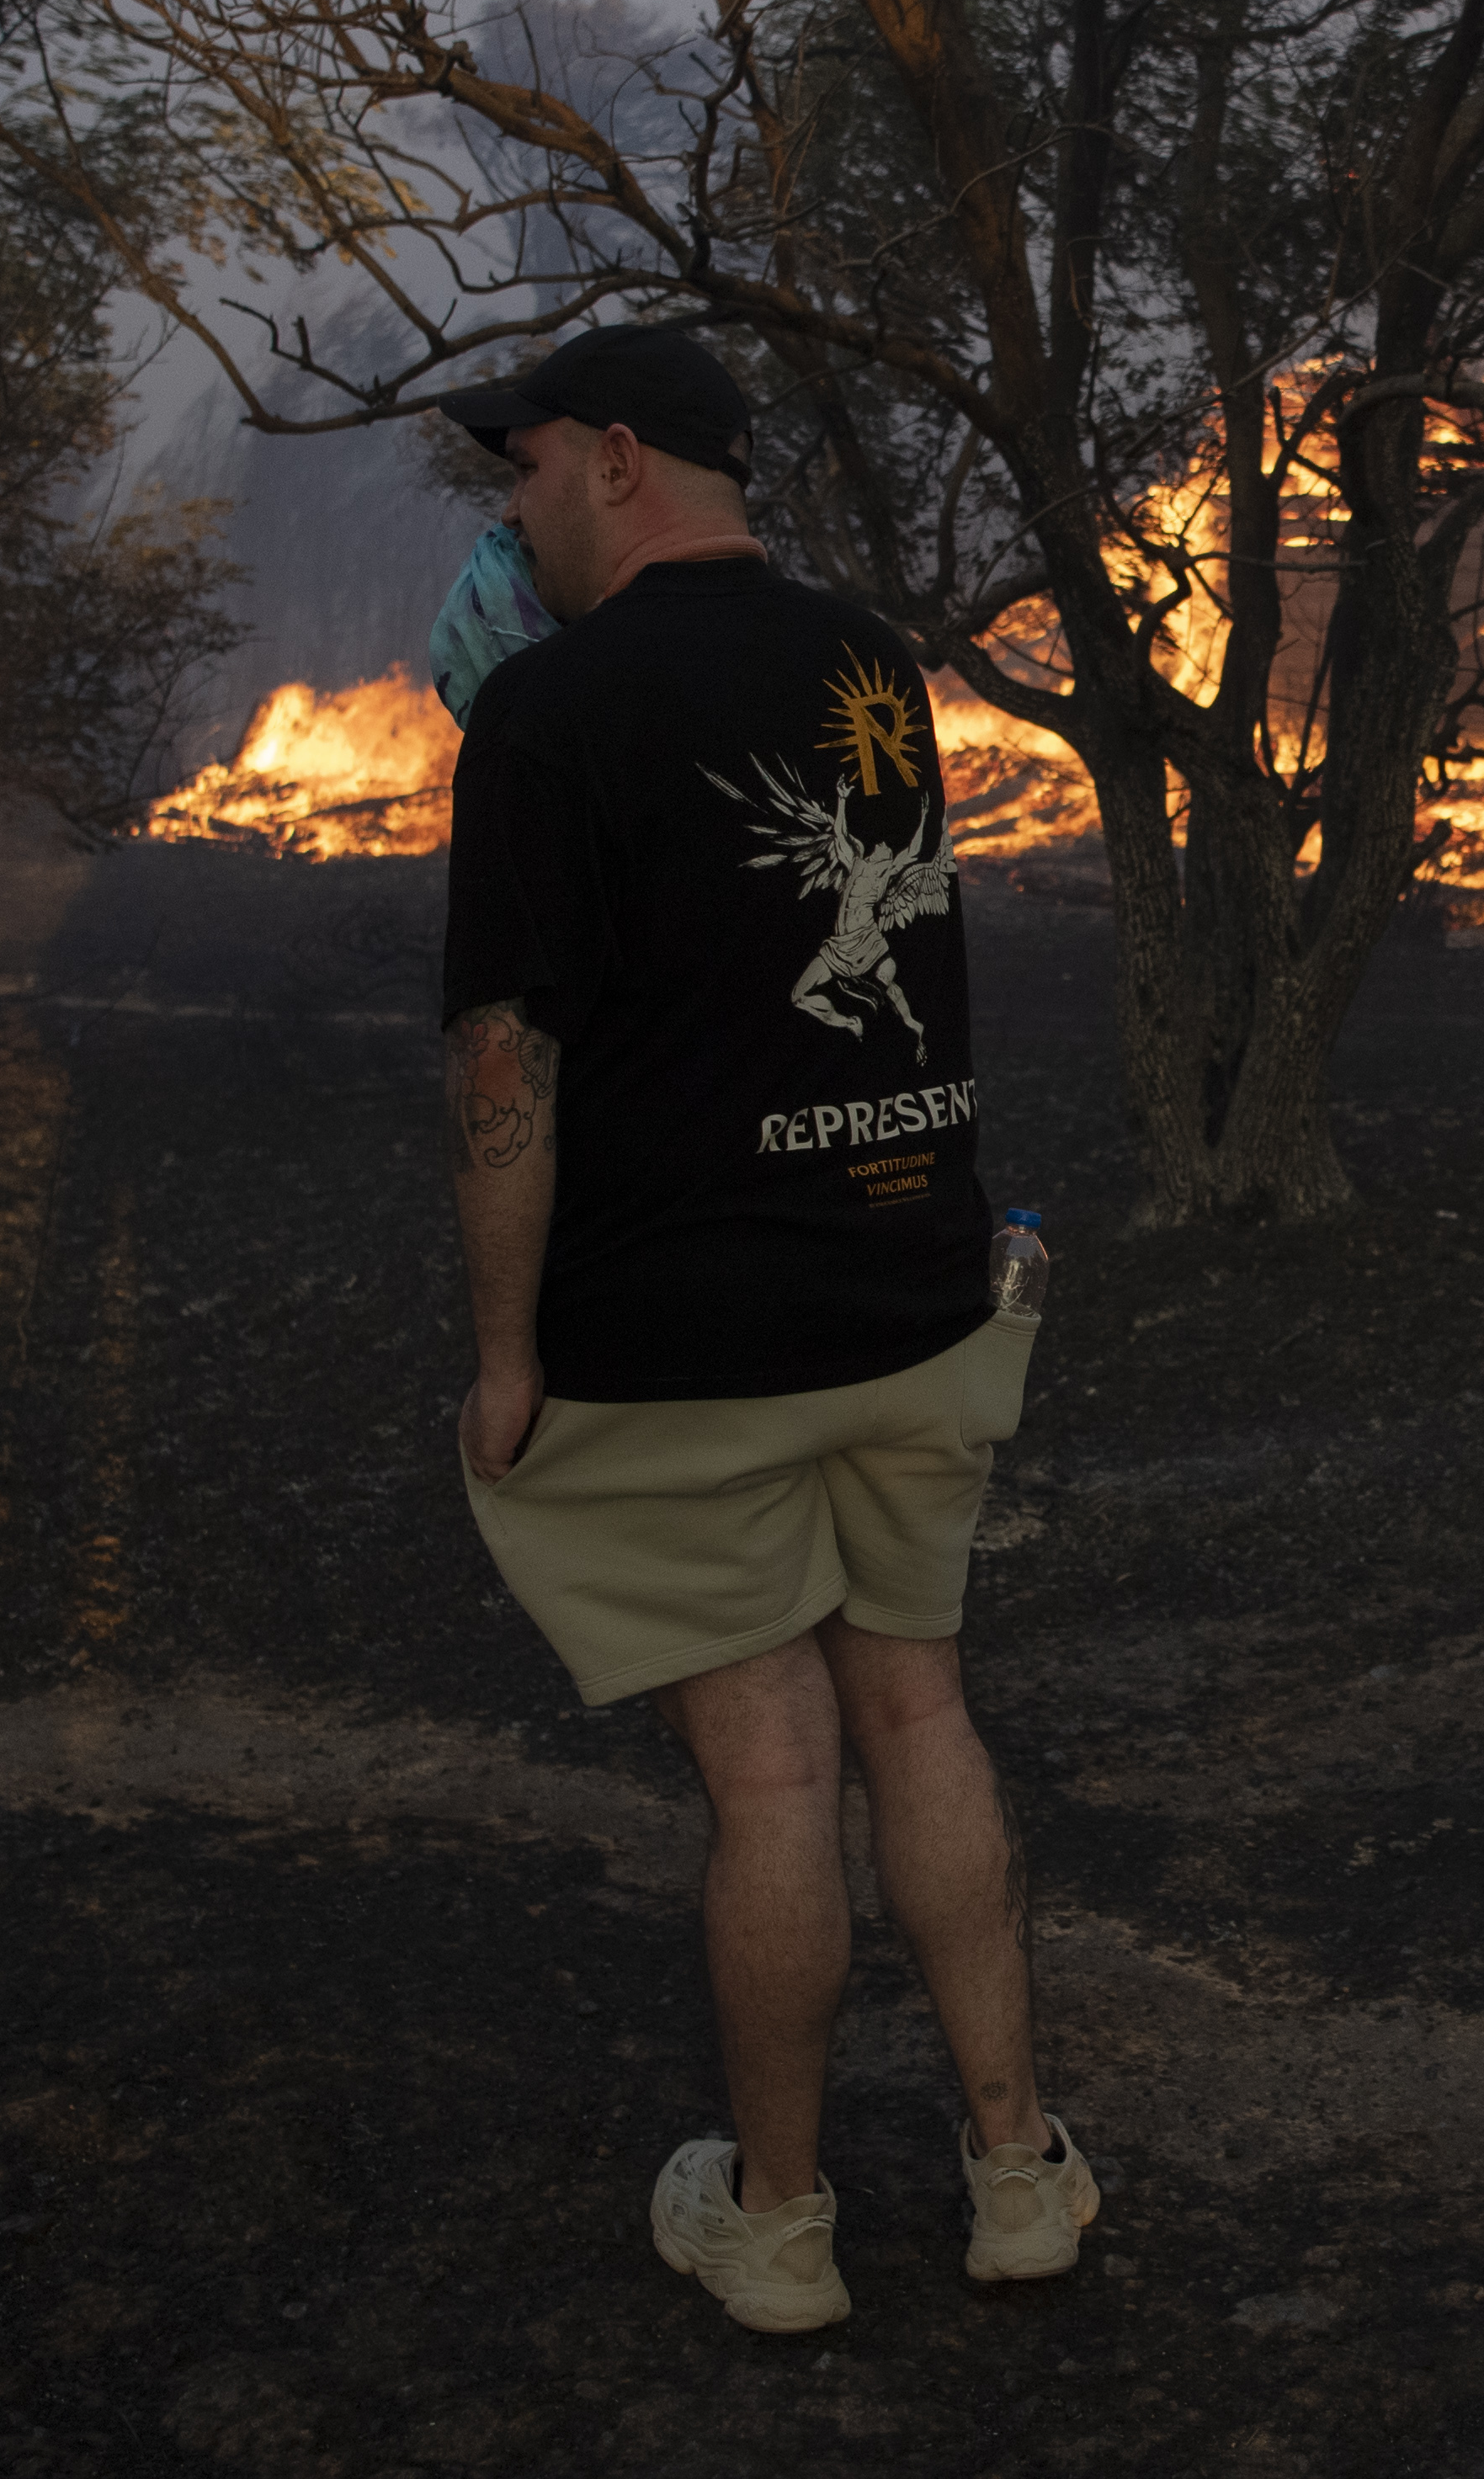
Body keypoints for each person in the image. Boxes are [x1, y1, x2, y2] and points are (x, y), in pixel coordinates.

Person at [432, 323, 1095, 2335]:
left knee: (778, 1789)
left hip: (685, 1337)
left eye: (527, 465)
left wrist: (507, 1348)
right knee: (924, 1720)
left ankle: (783, 2221)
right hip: (910, 1285)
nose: (514, 504)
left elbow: (502, 1059)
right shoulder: (869, 659)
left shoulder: (544, 714)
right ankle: (1016, 2177)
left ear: (620, 456)